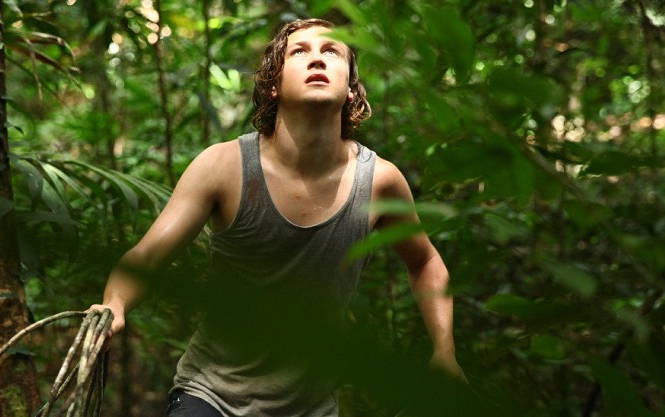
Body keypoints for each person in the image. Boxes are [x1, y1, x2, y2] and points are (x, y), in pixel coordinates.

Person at [89, 18, 463, 417]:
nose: (317, 59)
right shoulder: (223, 167)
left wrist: (444, 351)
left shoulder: (379, 182)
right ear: (273, 84)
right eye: (300, 51)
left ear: (351, 89)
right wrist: (114, 305)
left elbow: (425, 261)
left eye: (332, 51)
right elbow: (147, 256)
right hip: (211, 396)